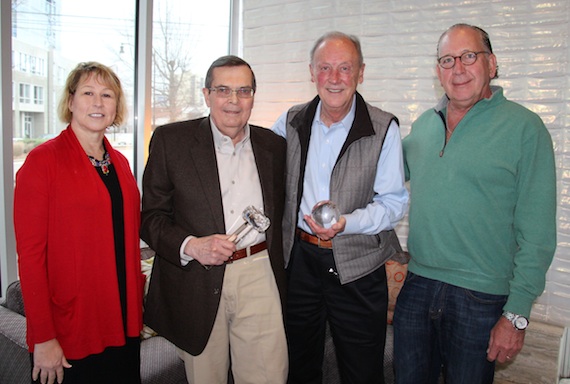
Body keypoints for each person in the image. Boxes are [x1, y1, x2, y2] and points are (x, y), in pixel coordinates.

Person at [394, 23, 556, 383]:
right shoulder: (424, 126)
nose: (458, 69)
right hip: (418, 284)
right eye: (447, 60)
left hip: (481, 298)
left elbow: (538, 234)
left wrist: (515, 314)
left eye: (469, 56)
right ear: (438, 72)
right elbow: (381, 179)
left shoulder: (525, 129)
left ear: (492, 64)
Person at [140, 55, 288, 384]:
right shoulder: (171, 142)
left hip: (259, 273)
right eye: (223, 90)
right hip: (197, 279)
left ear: (253, 96)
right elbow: (150, 218)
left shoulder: (274, 146)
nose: (233, 101)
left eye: (243, 91)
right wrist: (191, 246)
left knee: (269, 376)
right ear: (206, 95)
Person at [272, 31, 409, 383]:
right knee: (299, 365)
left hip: (358, 267)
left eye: (344, 68)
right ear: (311, 71)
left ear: (361, 73)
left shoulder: (383, 128)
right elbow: (257, 168)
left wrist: (346, 222)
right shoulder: (290, 122)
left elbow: (393, 204)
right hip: (300, 263)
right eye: (325, 68)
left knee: (362, 370)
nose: (334, 79)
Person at [14, 62, 144, 384]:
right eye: (88, 93)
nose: (98, 103)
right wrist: (43, 337)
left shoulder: (121, 163)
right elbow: (30, 257)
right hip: (72, 326)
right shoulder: (43, 161)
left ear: (117, 107)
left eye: (107, 95)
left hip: (122, 318)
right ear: (71, 101)